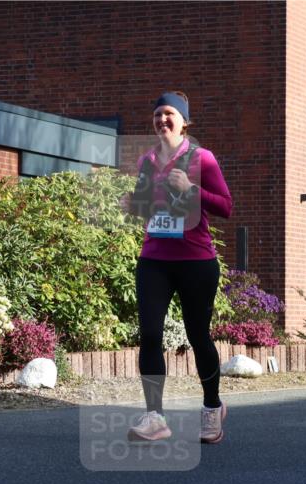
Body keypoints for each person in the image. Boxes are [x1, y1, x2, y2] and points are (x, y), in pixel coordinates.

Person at [121, 91, 234, 444]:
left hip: (196, 262)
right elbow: (146, 206)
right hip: (154, 260)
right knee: (151, 335)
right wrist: (132, 204)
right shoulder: (147, 161)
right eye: (157, 115)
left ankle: (212, 408)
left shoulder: (203, 158)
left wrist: (192, 188)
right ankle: (155, 416)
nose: (162, 120)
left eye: (169, 114)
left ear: (185, 122)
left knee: (198, 335)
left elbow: (226, 207)